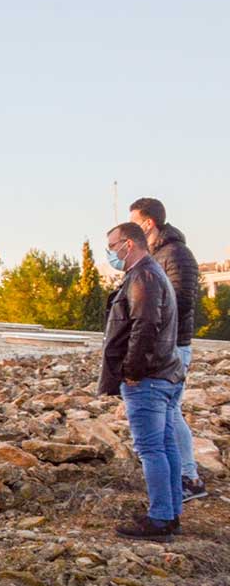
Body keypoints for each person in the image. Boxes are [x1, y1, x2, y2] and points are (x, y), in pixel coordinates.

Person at [99, 222, 186, 542]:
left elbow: (145, 326)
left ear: (129, 244)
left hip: (149, 378)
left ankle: (161, 518)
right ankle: (170, 512)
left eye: (112, 246)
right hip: (164, 373)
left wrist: (132, 371)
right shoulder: (150, 273)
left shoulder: (144, 277)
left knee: (152, 448)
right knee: (165, 445)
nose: (110, 253)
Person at [129, 197, 206, 501]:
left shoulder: (175, 254)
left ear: (147, 223)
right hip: (165, 345)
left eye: (133, 221)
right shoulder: (158, 254)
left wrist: (149, 322)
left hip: (172, 347)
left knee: (169, 412)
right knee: (168, 412)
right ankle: (181, 477)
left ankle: (188, 478)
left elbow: (181, 300)